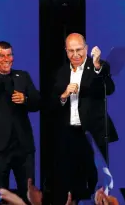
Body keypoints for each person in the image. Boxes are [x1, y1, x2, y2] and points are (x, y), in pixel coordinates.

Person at [51, 33, 118, 204]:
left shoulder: (98, 67)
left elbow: (108, 89)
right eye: (71, 51)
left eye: (79, 50)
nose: (75, 55)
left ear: (86, 49)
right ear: (66, 52)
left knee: (98, 181)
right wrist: (64, 95)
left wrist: (96, 66)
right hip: (71, 134)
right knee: (72, 181)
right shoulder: (61, 72)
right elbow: (52, 103)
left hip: (94, 133)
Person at [0, 41, 40, 203]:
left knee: (28, 190)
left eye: (9, 55)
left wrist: (25, 99)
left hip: (22, 144)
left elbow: (37, 102)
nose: (6, 59)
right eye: (1, 56)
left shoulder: (22, 76)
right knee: (0, 192)